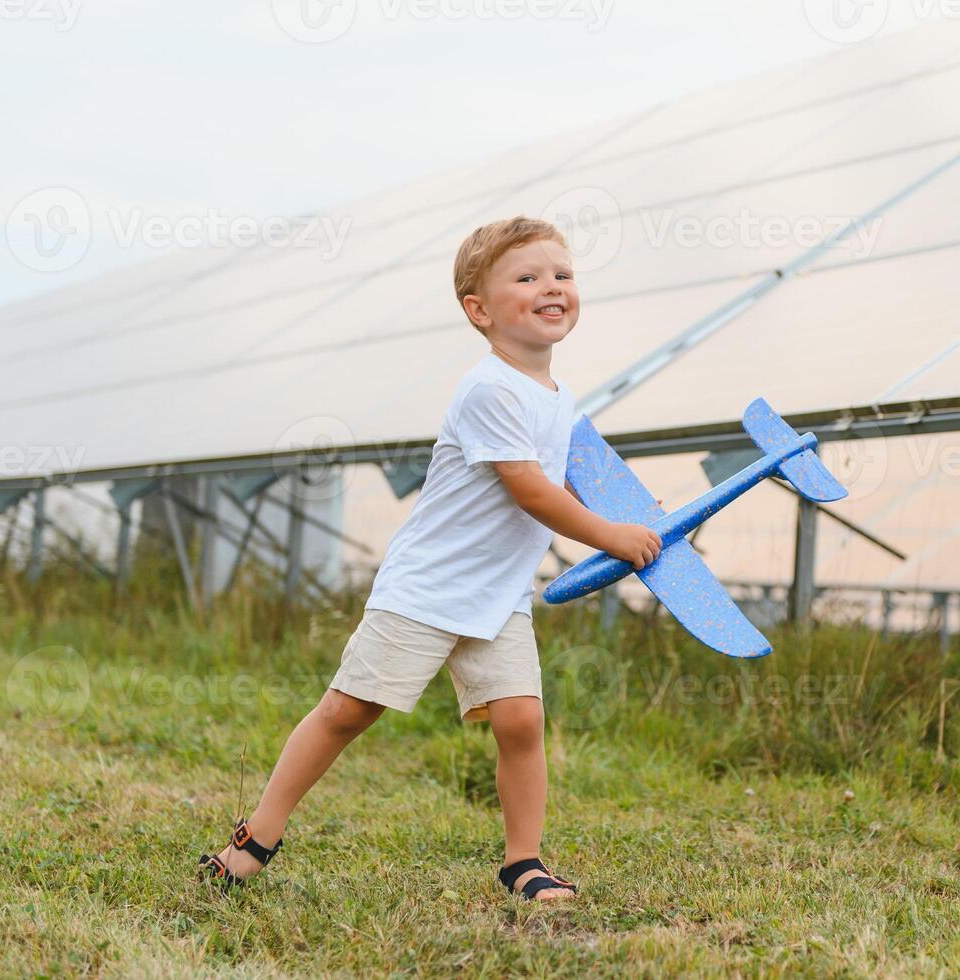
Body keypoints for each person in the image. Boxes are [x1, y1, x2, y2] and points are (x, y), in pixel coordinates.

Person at [198, 215, 662, 901]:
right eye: (528, 277)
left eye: (561, 274)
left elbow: (561, 476)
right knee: (347, 711)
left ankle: (522, 862)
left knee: (521, 719)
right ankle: (257, 836)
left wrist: (633, 520)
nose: (552, 286)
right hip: (428, 588)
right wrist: (610, 537)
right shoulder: (490, 388)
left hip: (497, 595)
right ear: (479, 310)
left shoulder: (560, 399)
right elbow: (529, 488)